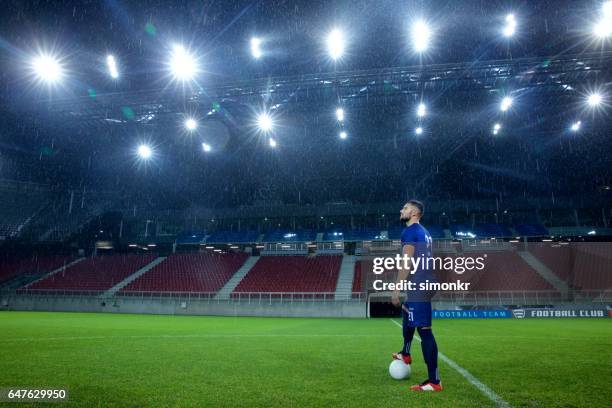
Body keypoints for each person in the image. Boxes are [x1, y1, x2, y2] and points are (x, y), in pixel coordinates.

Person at [391, 200, 442, 392]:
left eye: (404, 208)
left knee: (425, 331)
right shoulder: (424, 231)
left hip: (420, 283)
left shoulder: (409, 232)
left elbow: (407, 263)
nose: (401, 210)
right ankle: (405, 352)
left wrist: (396, 288)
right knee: (406, 310)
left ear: (414, 212)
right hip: (425, 281)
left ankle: (434, 382)